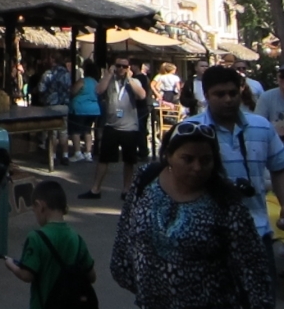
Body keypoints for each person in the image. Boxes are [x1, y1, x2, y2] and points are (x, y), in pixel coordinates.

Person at [111, 121, 273, 309]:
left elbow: (254, 268)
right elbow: (125, 234)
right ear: (169, 156)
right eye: (188, 159)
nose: (197, 167)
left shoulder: (226, 203)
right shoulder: (146, 179)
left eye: (205, 160)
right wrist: (133, 279)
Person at [185, 65, 284, 299]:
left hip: (258, 232)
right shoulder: (191, 130)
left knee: (261, 300)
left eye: (233, 93)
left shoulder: (261, 127)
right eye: (220, 94)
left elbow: (279, 168)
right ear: (206, 96)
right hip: (208, 235)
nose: (228, 100)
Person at [4, 180, 95, 309]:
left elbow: (26, 275)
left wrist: (11, 265)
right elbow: (91, 276)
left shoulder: (36, 238)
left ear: (40, 206)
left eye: (34, 210)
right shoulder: (77, 239)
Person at [79, 56, 147, 200]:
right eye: (118, 66)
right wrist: (109, 74)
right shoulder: (110, 81)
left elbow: (142, 95)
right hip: (111, 126)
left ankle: (126, 189)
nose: (121, 69)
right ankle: (95, 189)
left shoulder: (134, 81)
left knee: (129, 161)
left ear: (129, 68)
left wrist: (128, 79)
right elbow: (99, 90)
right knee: (104, 159)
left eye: (124, 66)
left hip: (129, 128)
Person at [37, 52, 72, 165]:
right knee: (63, 131)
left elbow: (41, 89)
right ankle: (65, 155)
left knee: (52, 132)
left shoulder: (48, 74)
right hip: (64, 105)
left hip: (51, 105)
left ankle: (52, 156)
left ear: (52, 60)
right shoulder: (67, 73)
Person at [68, 59, 100, 162]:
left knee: (75, 131)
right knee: (87, 131)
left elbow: (73, 91)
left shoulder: (82, 81)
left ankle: (78, 152)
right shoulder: (96, 82)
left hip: (80, 108)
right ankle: (88, 153)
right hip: (93, 110)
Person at [129, 59, 153, 159]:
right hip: (143, 106)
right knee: (140, 129)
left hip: (140, 106)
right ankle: (142, 150)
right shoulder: (144, 77)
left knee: (140, 130)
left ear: (135, 66)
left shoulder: (138, 78)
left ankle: (142, 151)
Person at [256, 64, 284, 139]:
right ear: (278, 78)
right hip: (274, 141)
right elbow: (257, 124)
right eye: (282, 76)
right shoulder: (266, 97)